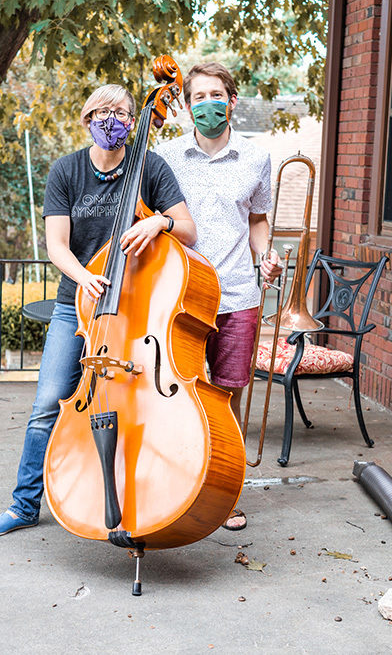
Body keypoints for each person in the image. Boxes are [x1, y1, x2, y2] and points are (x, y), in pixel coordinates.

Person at [0, 84, 196, 537]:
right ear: (87, 118)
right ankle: (23, 506)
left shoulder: (150, 166)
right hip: (75, 306)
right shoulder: (67, 170)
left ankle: (147, 491)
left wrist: (159, 221)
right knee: (47, 402)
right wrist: (84, 278)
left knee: (142, 402)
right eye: (103, 111)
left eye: (122, 112)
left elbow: (189, 232)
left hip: (134, 310)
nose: (112, 119)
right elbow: (57, 246)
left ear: (135, 121)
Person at [155, 62, 282, 532]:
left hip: (237, 295)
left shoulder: (256, 158)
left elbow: (257, 221)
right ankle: (173, 485)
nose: (207, 103)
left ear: (232, 101)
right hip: (180, 298)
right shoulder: (165, 156)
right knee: (173, 396)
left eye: (216, 94)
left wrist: (267, 255)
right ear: (187, 107)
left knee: (225, 398)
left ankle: (222, 492)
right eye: (198, 96)